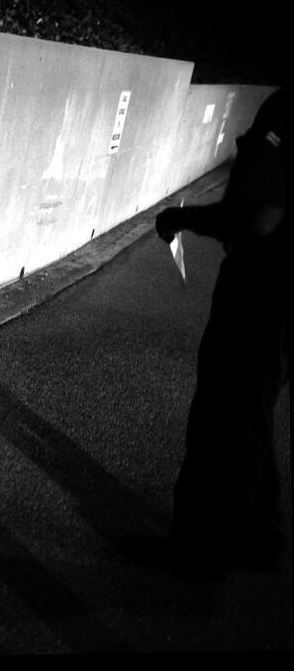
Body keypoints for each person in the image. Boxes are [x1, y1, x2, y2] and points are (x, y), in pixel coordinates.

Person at [119, 87, 288, 582]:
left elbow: (258, 216)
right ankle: (265, 539)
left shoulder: (284, 111)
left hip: (261, 293)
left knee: (222, 419)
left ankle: (196, 551)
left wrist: (186, 217)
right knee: (252, 414)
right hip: (280, 297)